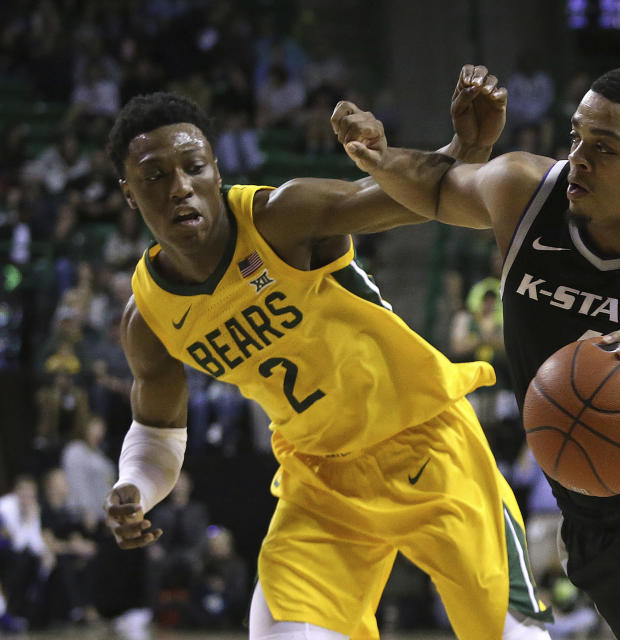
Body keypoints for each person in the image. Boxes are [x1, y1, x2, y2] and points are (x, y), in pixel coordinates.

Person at [336, 64, 620, 639]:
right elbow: (436, 189)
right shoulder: (523, 191)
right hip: (589, 498)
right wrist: (382, 155)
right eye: (576, 137)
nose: (580, 158)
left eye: (605, 148)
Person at [102, 66, 552, 640]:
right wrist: (134, 487)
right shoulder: (148, 317)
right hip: (321, 480)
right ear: (128, 191)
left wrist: (467, 149)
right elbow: (158, 433)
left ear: (215, 168)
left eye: (194, 167)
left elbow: (412, 200)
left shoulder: (281, 217)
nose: (180, 186)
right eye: (155, 175)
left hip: (426, 443)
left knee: (515, 637)